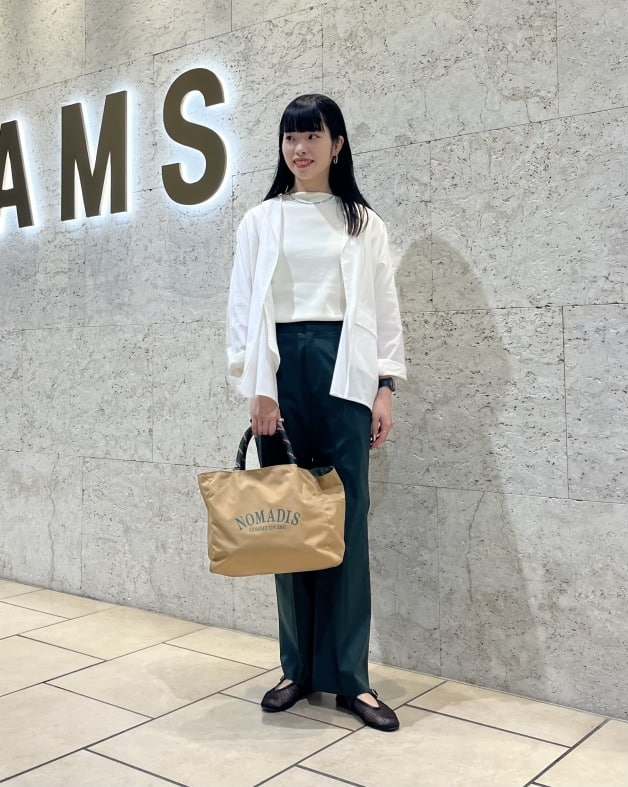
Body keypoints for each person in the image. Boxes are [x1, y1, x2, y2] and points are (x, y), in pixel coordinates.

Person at [226, 94, 407, 732]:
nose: (299, 149)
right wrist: (258, 388)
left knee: (346, 520)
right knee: (288, 518)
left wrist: (385, 386)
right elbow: (243, 309)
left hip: (346, 370)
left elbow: (384, 307)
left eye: (312, 136)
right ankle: (296, 669)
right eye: (290, 138)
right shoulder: (261, 220)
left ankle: (353, 679)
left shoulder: (363, 222)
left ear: (337, 144)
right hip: (281, 372)